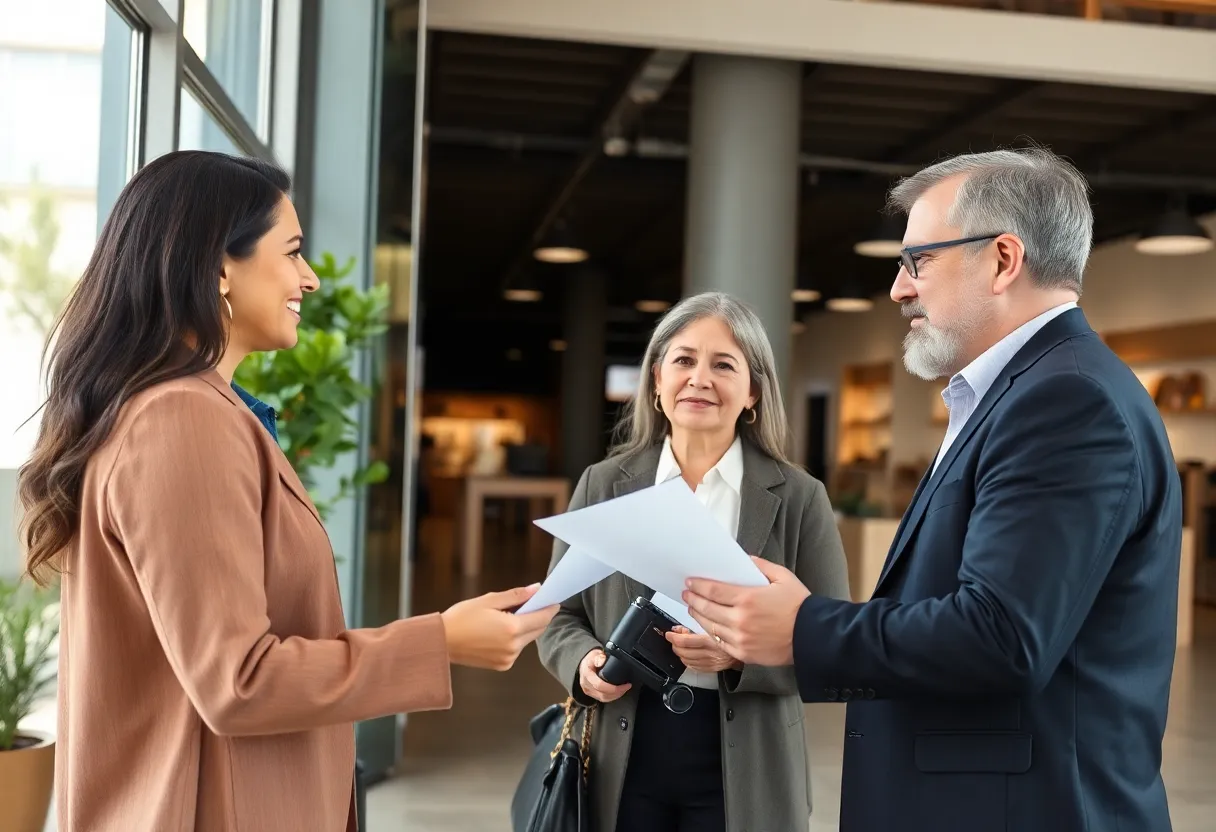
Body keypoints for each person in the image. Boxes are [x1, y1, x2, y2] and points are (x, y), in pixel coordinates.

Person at [16, 150, 557, 832]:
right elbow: (238, 681)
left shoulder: (196, 409)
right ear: (218, 268)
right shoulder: (181, 419)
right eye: (293, 252)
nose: (309, 278)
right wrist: (441, 640)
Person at [682, 147, 1182, 832]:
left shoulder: (1065, 401)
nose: (898, 288)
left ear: (1003, 260)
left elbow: (1001, 636)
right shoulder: (1023, 392)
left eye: (918, 260)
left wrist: (802, 628)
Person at [536, 291, 851, 832]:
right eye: (683, 360)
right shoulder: (605, 484)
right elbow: (559, 615)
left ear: (753, 392)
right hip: (622, 747)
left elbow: (835, 644)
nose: (699, 379)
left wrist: (735, 657)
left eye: (723, 365)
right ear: (657, 382)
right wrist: (583, 663)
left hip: (748, 756)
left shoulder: (799, 498)